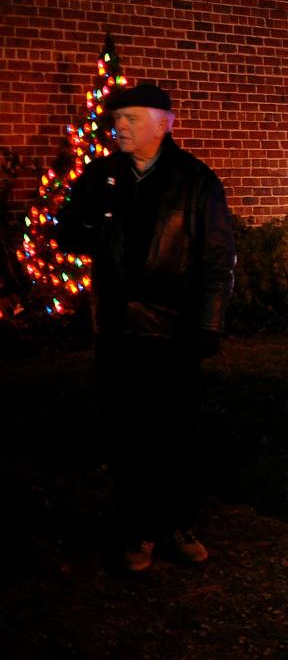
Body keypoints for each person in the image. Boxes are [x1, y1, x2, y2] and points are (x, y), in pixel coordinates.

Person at [56, 82, 235, 572]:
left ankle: (177, 523)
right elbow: (68, 233)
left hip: (174, 330)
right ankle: (136, 529)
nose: (120, 127)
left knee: (177, 431)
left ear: (165, 123)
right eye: (118, 119)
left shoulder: (196, 181)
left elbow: (217, 260)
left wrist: (208, 324)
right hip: (116, 327)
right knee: (125, 432)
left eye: (132, 118)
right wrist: (92, 221)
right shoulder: (101, 177)